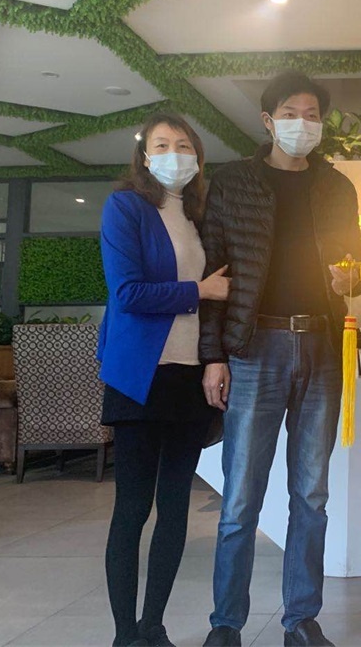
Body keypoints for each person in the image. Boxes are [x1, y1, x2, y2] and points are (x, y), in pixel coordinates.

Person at [200, 71, 361, 647]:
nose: (303, 124)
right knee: (241, 497)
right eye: (291, 113)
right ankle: (227, 624)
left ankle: (301, 620)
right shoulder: (233, 183)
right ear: (268, 121)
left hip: (321, 346)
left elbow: (355, 265)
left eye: (312, 114)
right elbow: (213, 274)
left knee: (311, 495)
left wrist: (349, 279)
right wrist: (213, 356)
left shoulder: (338, 187)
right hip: (254, 348)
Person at [98, 113, 230, 647]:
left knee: (175, 508)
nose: (174, 153)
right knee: (132, 508)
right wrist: (197, 291)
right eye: (161, 144)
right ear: (144, 156)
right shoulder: (125, 207)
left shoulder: (199, 216)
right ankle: (123, 634)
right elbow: (127, 293)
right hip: (139, 376)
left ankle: (153, 627)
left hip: (189, 377)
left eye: (183, 144)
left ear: (197, 155)